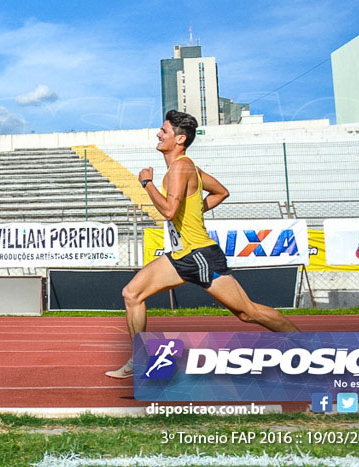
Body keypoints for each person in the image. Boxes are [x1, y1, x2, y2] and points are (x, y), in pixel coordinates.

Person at [106, 109, 299, 379]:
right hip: (182, 255)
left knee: (247, 312)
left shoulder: (182, 167)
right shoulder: (187, 167)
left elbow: (169, 212)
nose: (158, 134)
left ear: (180, 139)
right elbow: (221, 192)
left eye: (165, 131)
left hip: (200, 256)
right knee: (132, 294)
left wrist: (147, 184)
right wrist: (193, 212)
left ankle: (305, 346)